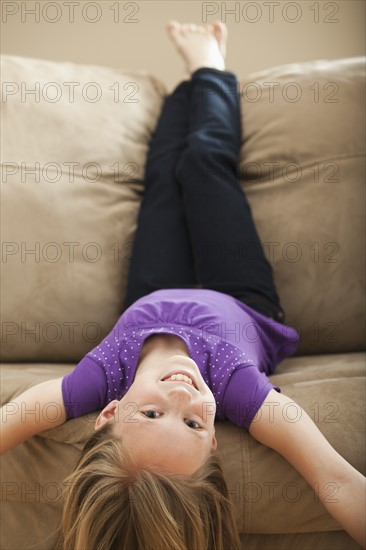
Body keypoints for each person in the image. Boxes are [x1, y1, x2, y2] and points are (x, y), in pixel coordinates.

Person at [1, 21, 365, 550]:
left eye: (151, 414)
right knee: (202, 165)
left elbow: (13, 418)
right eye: (194, 425)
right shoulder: (240, 390)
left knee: (163, 185)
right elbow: (336, 478)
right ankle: (208, 68)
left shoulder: (98, 380)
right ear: (216, 439)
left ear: (109, 414)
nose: (182, 395)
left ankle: (180, 93)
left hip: (150, 295)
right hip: (241, 296)